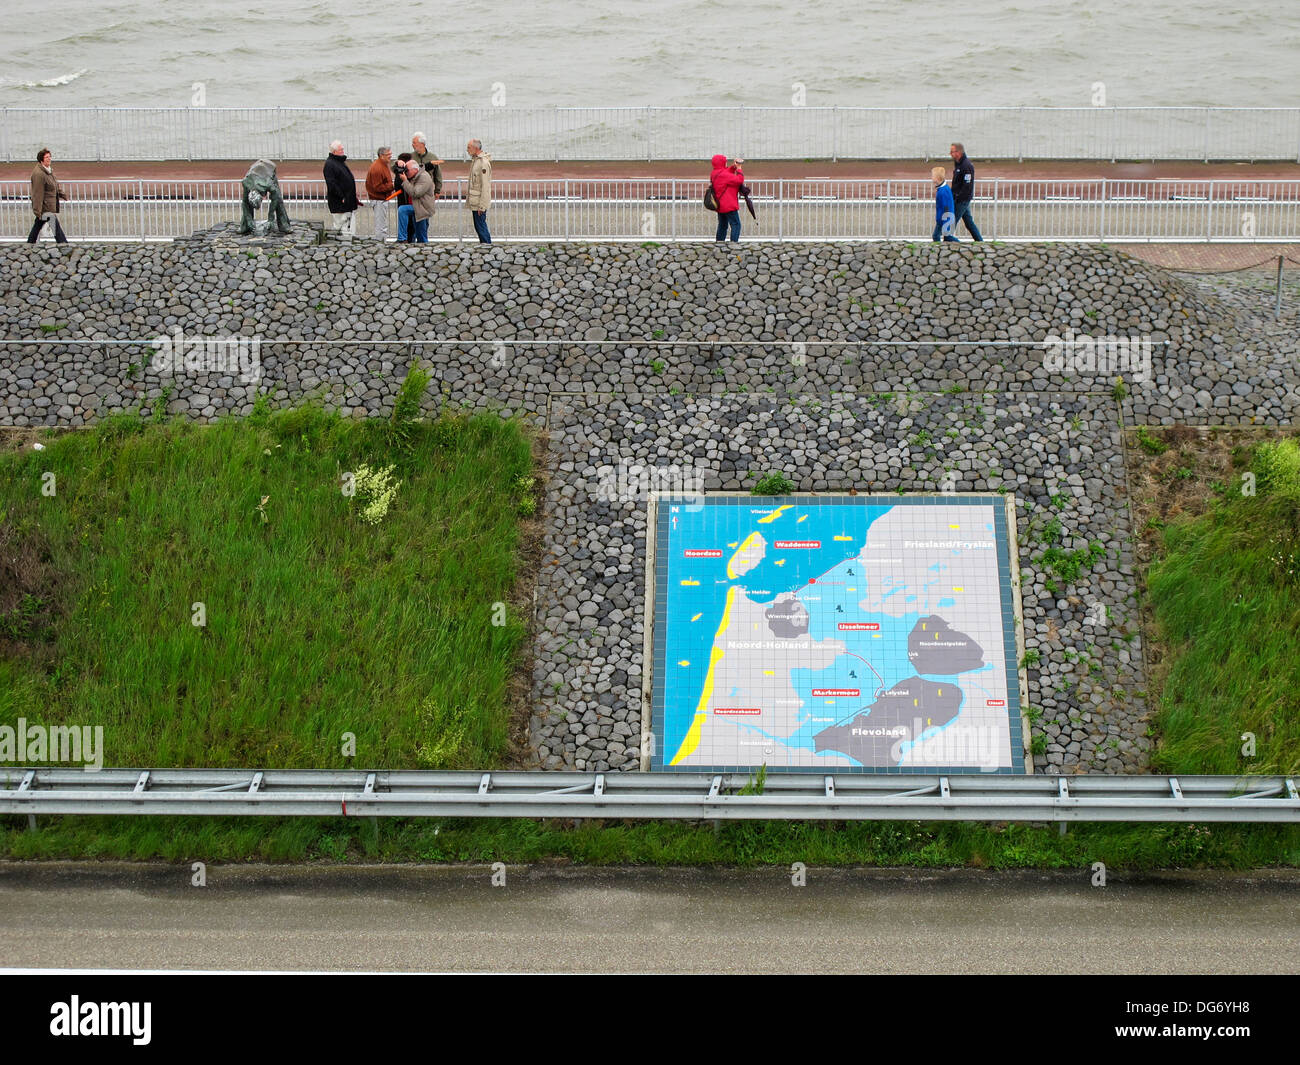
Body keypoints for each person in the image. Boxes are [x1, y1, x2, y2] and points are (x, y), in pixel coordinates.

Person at [238, 158, 290, 235]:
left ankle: (284, 225)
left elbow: (275, 199)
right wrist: (249, 220)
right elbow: (245, 203)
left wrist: (270, 219)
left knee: (279, 199)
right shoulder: (246, 182)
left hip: (269, 168)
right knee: (247, 206)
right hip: (255, 171)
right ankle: (245, 226)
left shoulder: (269, 184)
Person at [28, 148, 68, 243]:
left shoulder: (48, 171)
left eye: (50, 157)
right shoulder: (39, 174)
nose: (49, 159)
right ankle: (63, 244)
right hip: (45, 207)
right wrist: (38, 210)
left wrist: (62, 194)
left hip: (48, 205)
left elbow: (54, 185)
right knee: (54, 226)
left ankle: (29, 244)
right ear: (41, 160)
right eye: (46, 157)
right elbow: (37, 193)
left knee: (37, 226)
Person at [323, 140, 360, 240]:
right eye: (341, 149)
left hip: (347, 200)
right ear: (334, 152)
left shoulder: (339, 162)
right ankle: (342, 243)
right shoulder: (330, 164)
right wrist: (342, 196)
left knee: (347, 223)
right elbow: (332, 184)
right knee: (340, 224)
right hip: (340, 202)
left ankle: (347, 241)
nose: (343, 151)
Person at [949, 142, 983, 241]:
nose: (951, 154)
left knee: (952, 221)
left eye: (952, 151)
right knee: (969, 222)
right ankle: (980, 241)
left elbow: (967, 186)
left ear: (959, 152)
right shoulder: (958, 164)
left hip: (962, 200)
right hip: (959, 198)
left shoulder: (966, 165)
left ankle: (948, 239)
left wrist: (958, 197)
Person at [396, 159, 435, 243]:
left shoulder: (424, 177)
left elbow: (415, 193)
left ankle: (402, 238)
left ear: (415, 169)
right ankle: (402, 238)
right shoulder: (415, 175)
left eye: (407, 170)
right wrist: (398, 162)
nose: (405, 173)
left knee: (402, 210)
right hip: (417, 207)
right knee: (420, 235)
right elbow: (394, 169)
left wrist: (405, 181)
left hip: (422, 208)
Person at [710, 153, 745, 243]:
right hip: (729, 204)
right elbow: (739, 180)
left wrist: (734, 166)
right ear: (722, 163)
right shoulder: (723, 175)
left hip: (720, 204)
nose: (726, 163)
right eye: (725, 162)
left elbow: (725, 172)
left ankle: (719, 243)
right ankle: (733, 244)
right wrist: (739, 170)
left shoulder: (714, 173)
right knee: (736, 224)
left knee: (722, 225)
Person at [365, 146, 395, 240]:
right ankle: (380, 243)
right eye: (388, 154)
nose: (390, 156)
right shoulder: (377, 168)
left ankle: (382, 241)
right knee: (381, 225)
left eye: (390, 154)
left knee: (382, 224)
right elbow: (377, 187)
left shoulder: (382, 164)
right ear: (381, 156)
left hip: (381, 199)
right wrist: (392, 186)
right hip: (379, 200)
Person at [466, 138, 492, 244]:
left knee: (481, 226)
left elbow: (485, 185)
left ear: (475, 148)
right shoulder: (476, 160)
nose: (467, 150)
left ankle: (487, 247)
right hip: (475, 200)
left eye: (469, 147)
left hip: (479, 201)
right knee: (479, 226)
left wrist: (482, 205)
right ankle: (484, 246)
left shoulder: (483, 163)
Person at [411, 133, 444, 198]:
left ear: (422, 144)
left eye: (414, 143)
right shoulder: (411, 157)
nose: (412, 145)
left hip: (428, 191)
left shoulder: (432, 157)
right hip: (414, 191)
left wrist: (437, 191)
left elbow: (438, 175)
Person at [932, 167, 958, 242]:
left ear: (937, 178)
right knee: (944, 237)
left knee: (937, 236)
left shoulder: (943, 191)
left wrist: (946, 222)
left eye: (933, 176)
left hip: (945, 219)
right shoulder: (943, 189)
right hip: (943, 218)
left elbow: (946, 207)